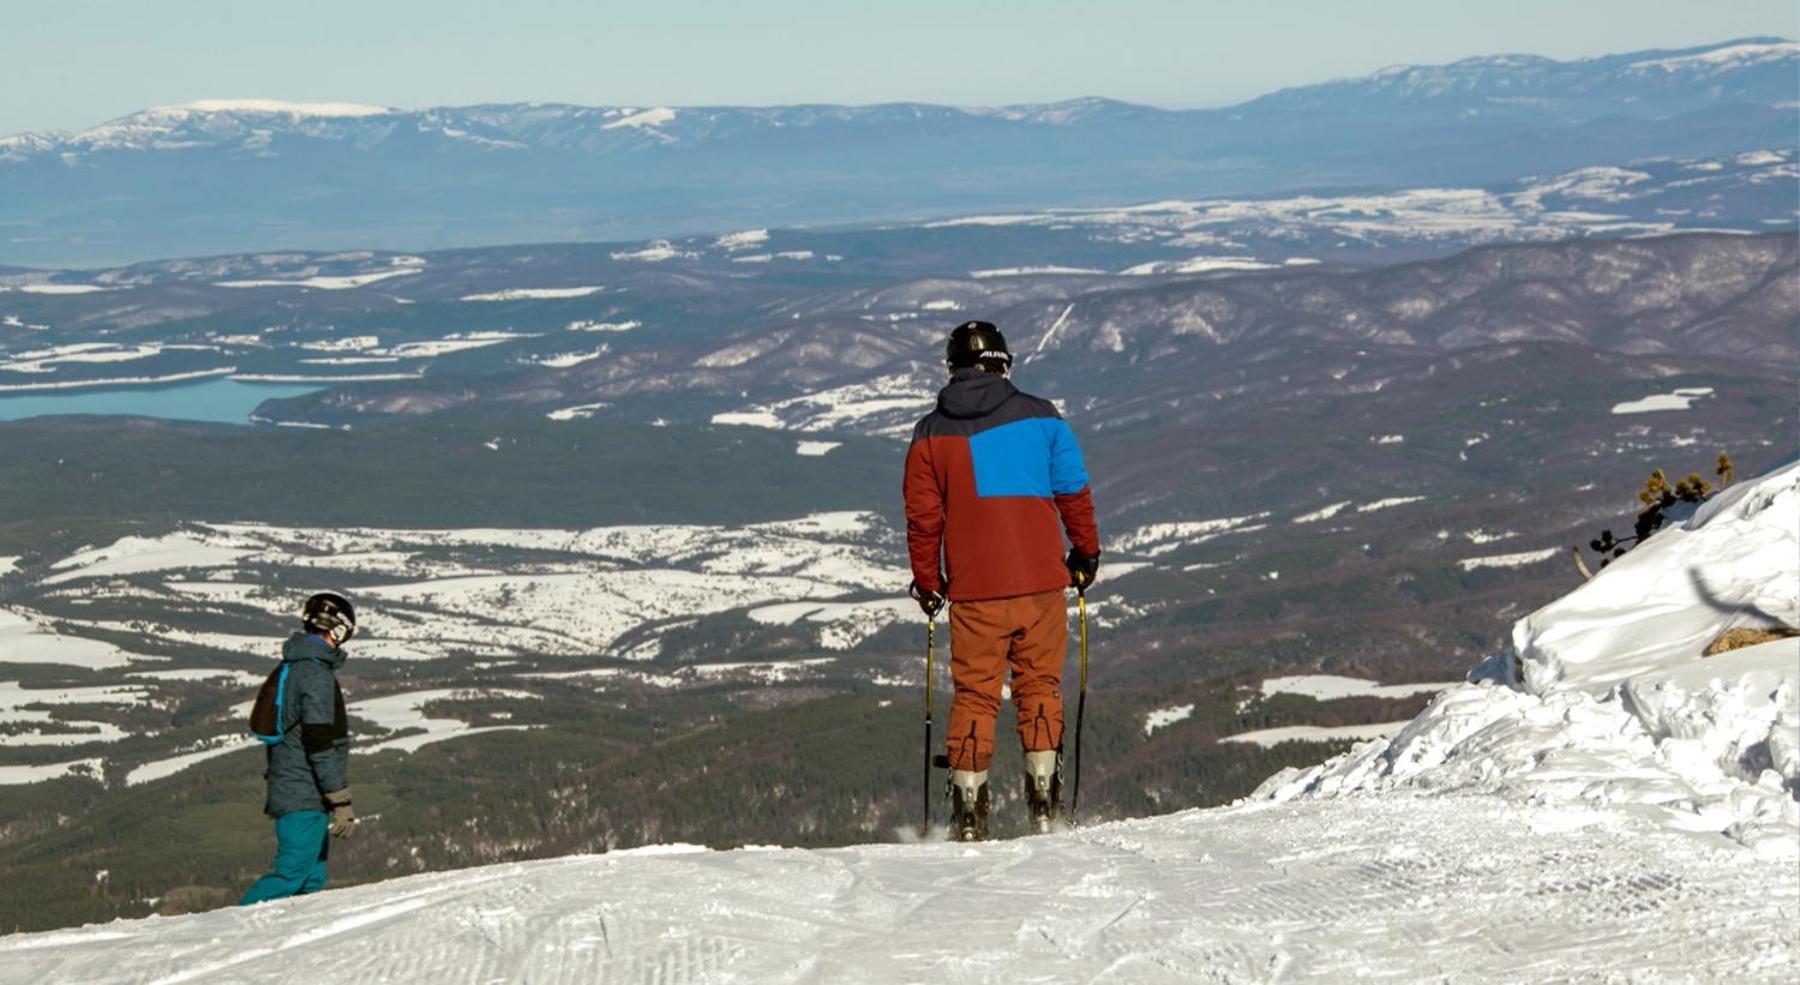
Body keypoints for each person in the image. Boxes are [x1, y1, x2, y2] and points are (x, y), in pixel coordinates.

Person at [903, 320, 1102, 840]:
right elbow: (1073, 492)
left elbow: (924, 520)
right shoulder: (1043, 418)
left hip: (973, 590)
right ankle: (1045, 803)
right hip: (1040, 581)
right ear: (1003, 362)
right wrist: (1085, 554)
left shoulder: (927, 435)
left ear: (953, 368)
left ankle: (969, 812)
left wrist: (929, 583)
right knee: (1040, 686)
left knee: (975, 695)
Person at [238, 592, 358, 905]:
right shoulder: (314, 674)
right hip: (302, 791)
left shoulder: (296, 666)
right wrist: (339, 797)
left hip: (301, 789)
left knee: (310, 878)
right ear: (338, 629)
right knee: (290, 874)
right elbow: (319, 741)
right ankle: (225, 932)